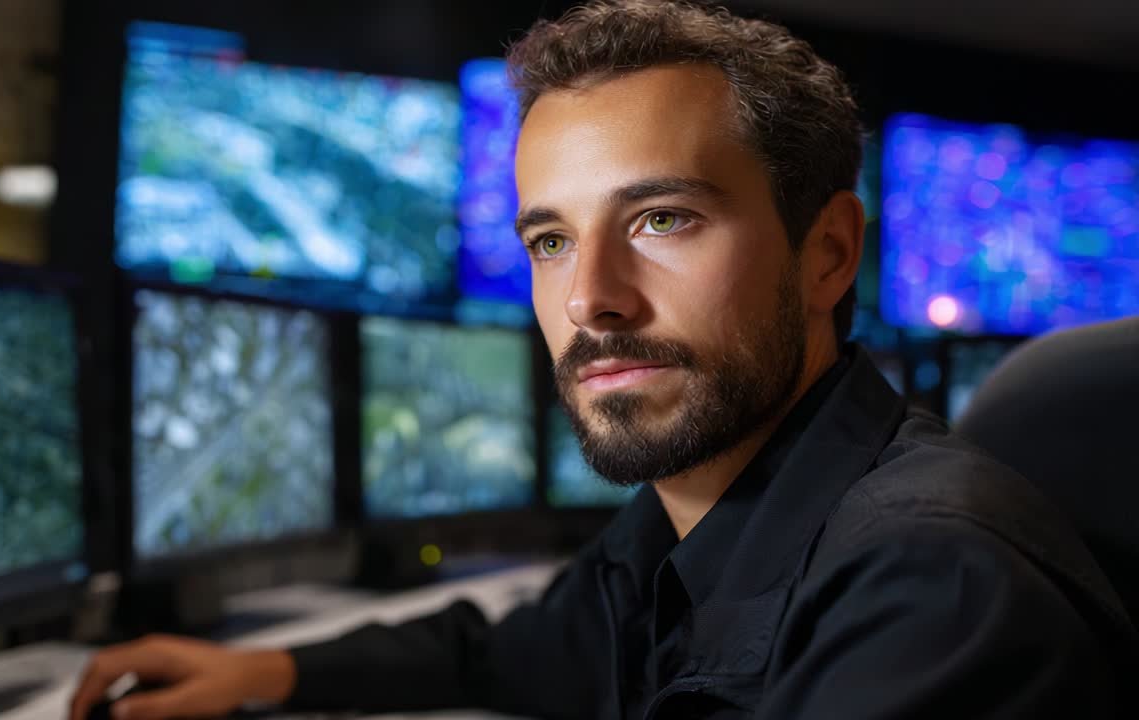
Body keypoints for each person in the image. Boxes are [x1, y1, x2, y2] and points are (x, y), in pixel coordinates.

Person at [70, 1, 1137, 718]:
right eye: (549, 240)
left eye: (661, 219)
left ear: (827, 256)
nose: (589, 299)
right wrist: (269, 671)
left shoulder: (930, 590)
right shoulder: (695, 519)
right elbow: (521, 652)